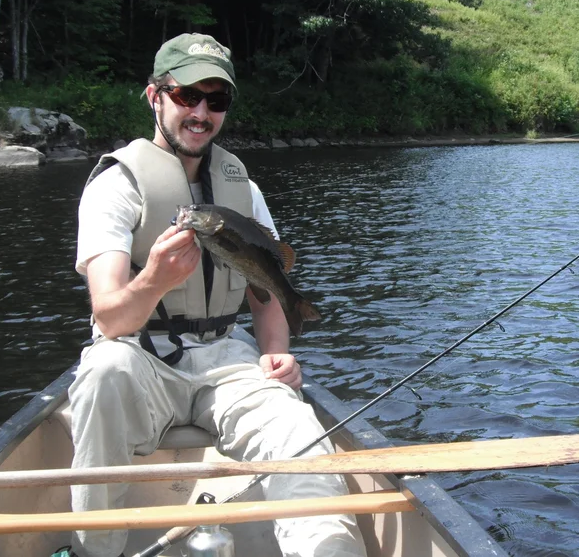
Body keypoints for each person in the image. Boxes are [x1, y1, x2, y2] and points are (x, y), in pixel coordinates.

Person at [71, 33, 367, 557]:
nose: (201, 113)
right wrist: (154, 278)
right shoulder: (115, 186)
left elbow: (266, 290)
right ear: (154, 96)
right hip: (142, 357)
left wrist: (276, 352)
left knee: (295, 423)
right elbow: (110, 320)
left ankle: (325, 549)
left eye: (217, 100)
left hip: (227, 357)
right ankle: (96, 549)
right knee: (103, 371)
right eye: (187, 96)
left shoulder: (242, 190)